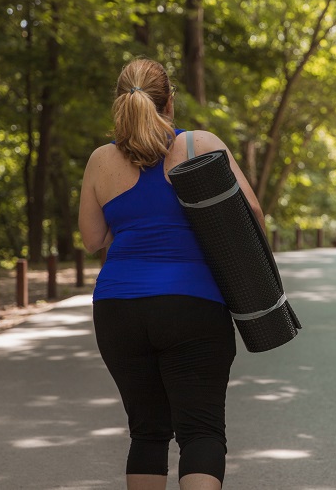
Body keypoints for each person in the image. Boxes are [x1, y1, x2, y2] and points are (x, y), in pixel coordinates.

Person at [78, 57, 265, 490]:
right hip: (193, 304)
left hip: (117, 309)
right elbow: (251, 210)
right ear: (170, 102)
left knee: (147, 431)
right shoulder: (200, 145)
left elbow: (92, 239)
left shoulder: (100, 160)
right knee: (200, 431)